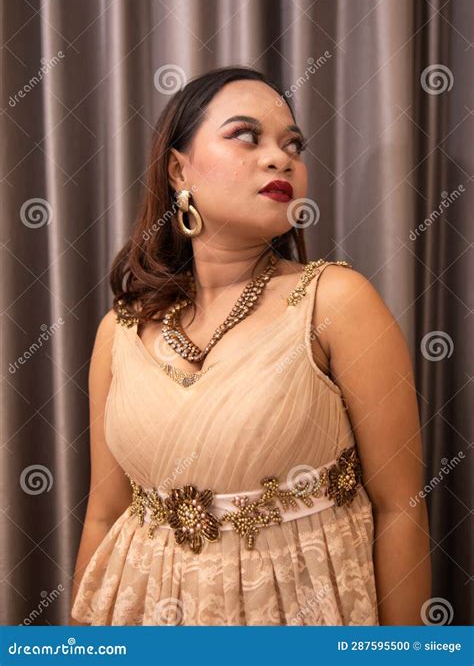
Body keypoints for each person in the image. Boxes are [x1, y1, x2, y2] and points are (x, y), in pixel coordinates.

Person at [69, 66, 431, 626]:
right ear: (176, 168)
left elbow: (400, 508)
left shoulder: (336, 301)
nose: (280, 158)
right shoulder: (119, 330)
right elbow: (105, 513)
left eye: (293, 145)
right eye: (246, 135)